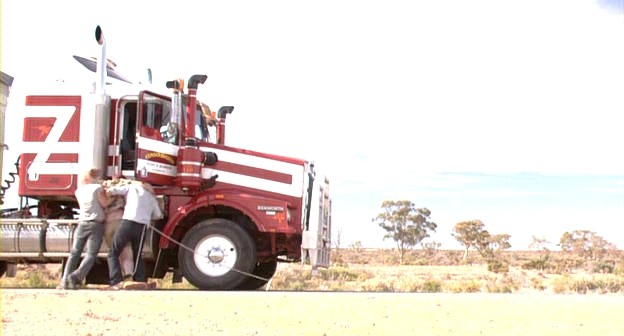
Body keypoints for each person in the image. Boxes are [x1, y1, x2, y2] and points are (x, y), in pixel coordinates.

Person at [59, 168, 111, 290]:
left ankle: (64, 281)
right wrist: (111, 198)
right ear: (95, 177)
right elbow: (104, 203)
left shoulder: (78, 191)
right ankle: (76, 276)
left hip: (82, 222)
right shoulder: (97, 189)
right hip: (95, 223)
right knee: (91, 254)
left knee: (75, 252)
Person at [105, 181, 162, 290]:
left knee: (113, 252)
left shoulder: (133, 187)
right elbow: (158, 215)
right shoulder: (151, 197)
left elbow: (115, 190)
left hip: (128, 223)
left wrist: (109, 190)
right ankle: (140, 280)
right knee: (138, 254)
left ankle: (116, 281)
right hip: (142, 227)